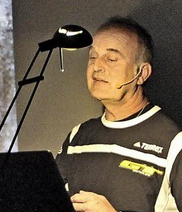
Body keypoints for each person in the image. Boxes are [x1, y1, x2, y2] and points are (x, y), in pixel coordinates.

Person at [56, 16, 182, 212]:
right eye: (92, 57)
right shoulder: (78, 137)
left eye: (111, 59)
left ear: (141, 73)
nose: (97, 67)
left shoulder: (173, 142)